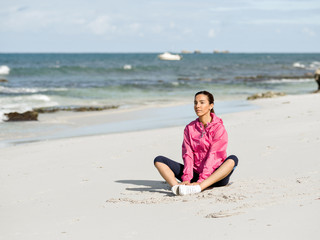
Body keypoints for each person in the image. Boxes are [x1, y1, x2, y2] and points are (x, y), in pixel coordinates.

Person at [154, 91, 238, 196]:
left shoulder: (218, 128)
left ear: (211, 106)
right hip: (194, 175)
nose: (197, 106)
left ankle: (199, 188)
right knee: (159, 160)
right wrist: (187, 179)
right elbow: (187, 155)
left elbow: (214, 156)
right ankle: (177, 188)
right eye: (195, 103)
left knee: (232, 160)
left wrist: (201, 181)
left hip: (215, 177)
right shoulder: (189, 128)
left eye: (202, 102)